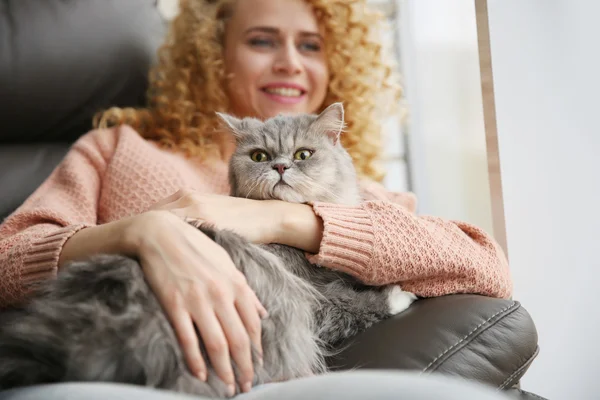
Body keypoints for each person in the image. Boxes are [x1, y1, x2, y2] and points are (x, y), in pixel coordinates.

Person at [0, 0, 512, 397]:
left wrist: (286, 222)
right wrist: (142, 232)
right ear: (214, 51)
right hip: (122, 355)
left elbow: (484, 266)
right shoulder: (119, 147)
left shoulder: (348, 188)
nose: (290, 63)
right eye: (263, 41)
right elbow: (8, 260)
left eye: (311, 45)